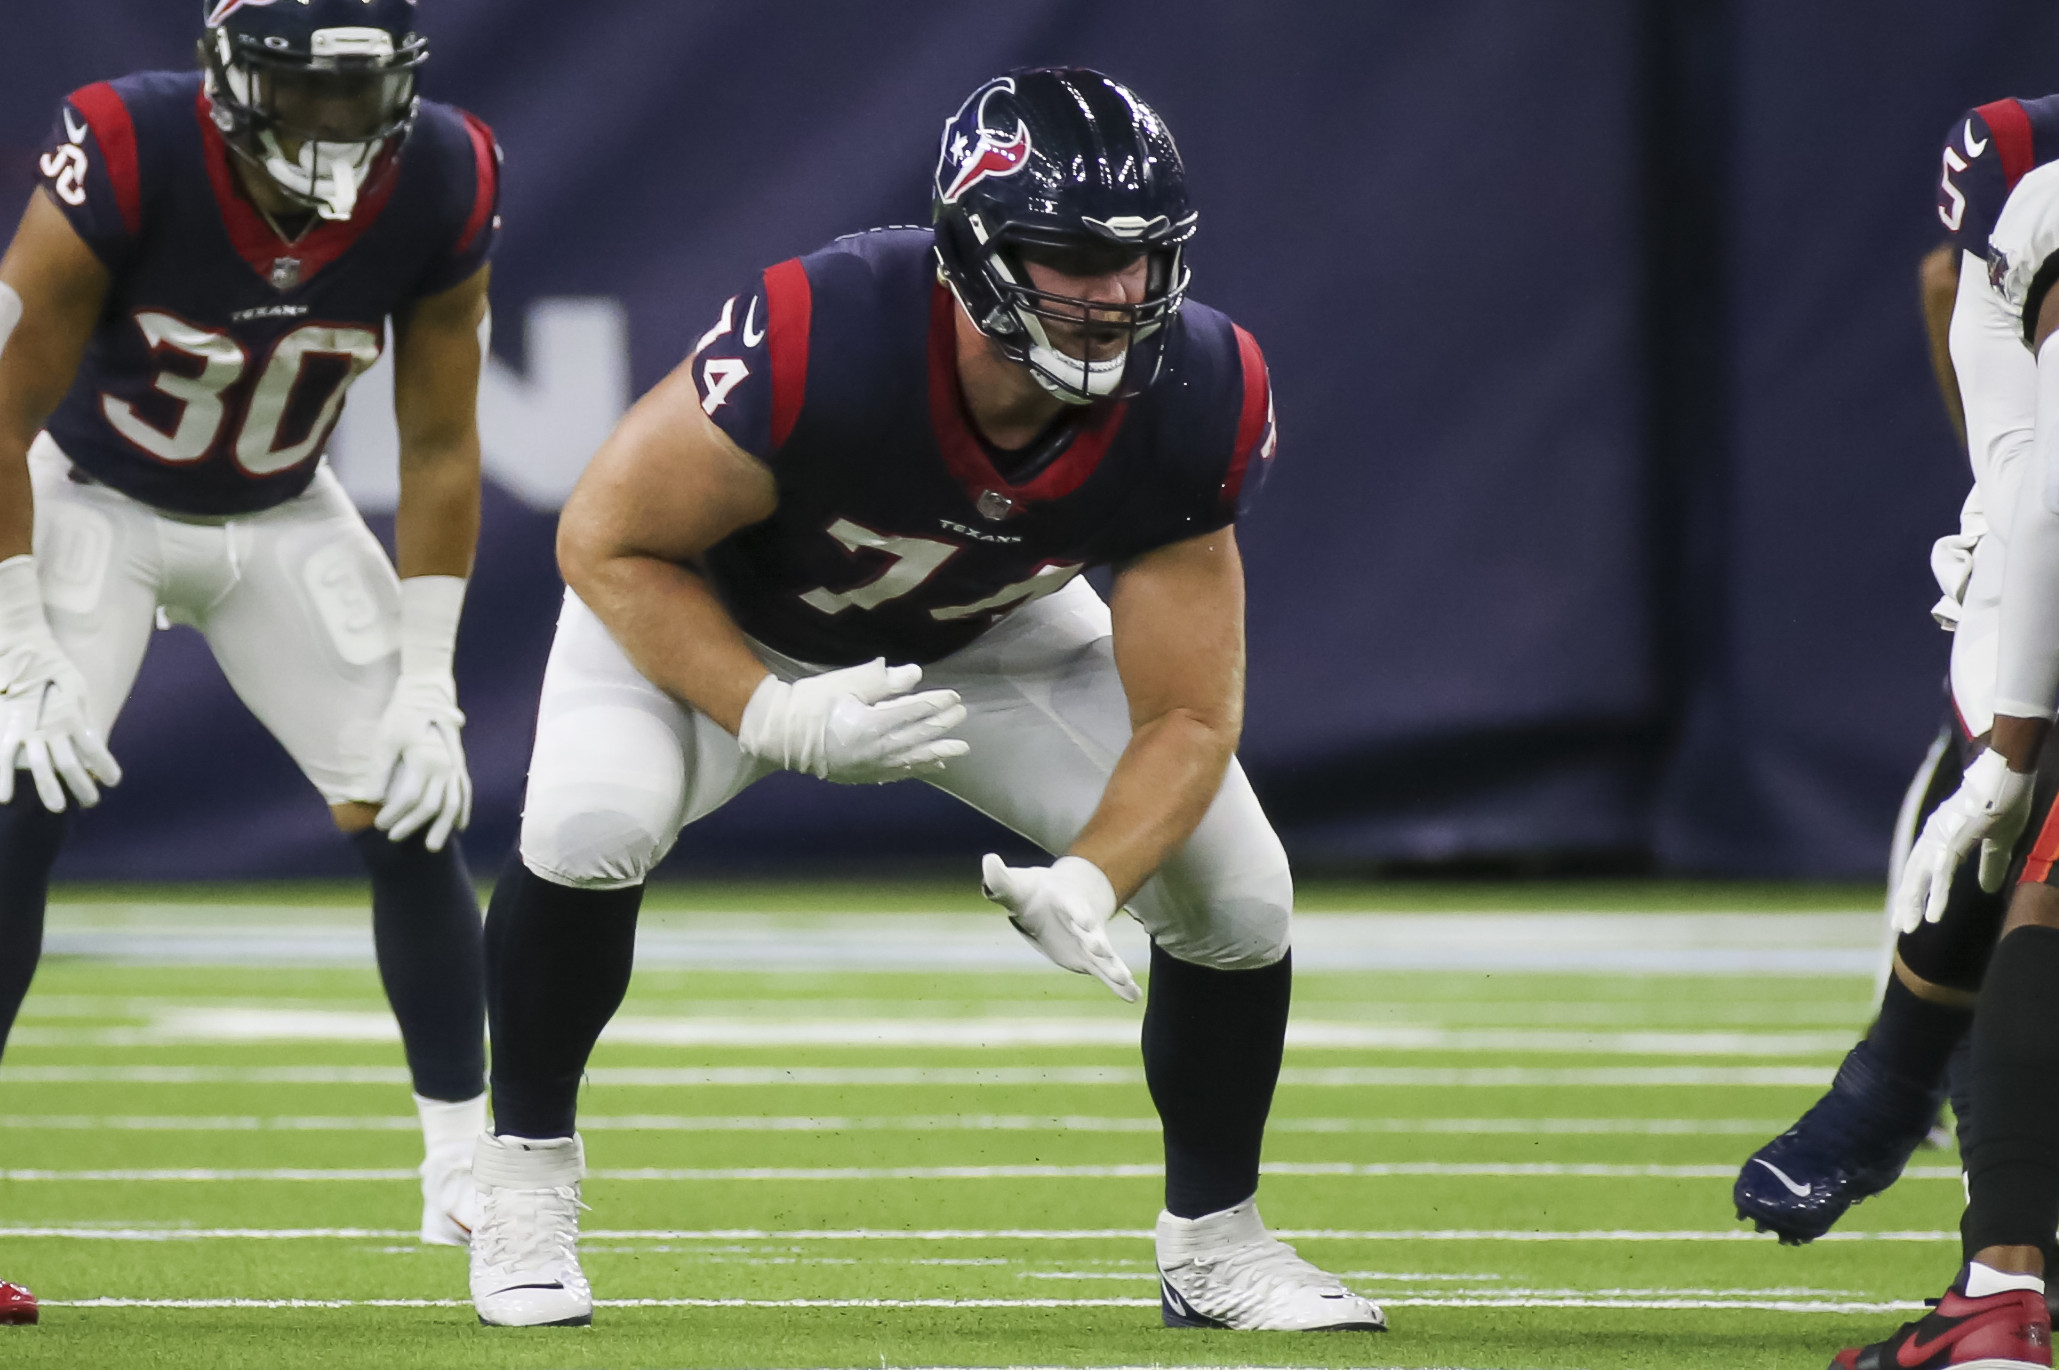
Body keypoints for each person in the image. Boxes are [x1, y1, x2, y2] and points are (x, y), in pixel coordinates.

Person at [464, 69, 1386, 1335]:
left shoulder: (1199, 389)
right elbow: (609, 539)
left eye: (1141, 258)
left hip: (987, 635)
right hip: (718, 616)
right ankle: (520, 1178)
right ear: (972, 246)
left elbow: (1188, 716)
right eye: (1069, 254)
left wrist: (1089, 880)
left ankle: (1216, 1244)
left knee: (1238, 891)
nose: (1114, 293)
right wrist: (770, 711)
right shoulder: (827, 325)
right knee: (587, 822)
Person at [0, 0, 499, 1251]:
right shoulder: (126, 145)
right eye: (302, 88)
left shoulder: (444, 167)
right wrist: (19, 646)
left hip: (284, 512)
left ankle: (468, 1174)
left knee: (410, 802)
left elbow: (439, 444)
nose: (334, 123)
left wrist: (429, 680)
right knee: (17, 798)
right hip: (90, 499)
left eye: (360, 91)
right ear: (227, 76)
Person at [1735, 98, 2059, 1249]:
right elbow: (2038, 486)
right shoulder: (2024, 169)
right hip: (2045, 558)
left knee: (2009, 815)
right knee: (2005, 837)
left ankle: (1902, 1099)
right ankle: (1996, 1240)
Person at [1826, 99, 2059, 1368]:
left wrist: (2010, 744)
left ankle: (1999, 1287)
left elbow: (2045, 494)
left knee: (2042, 884)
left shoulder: (2030, 176)